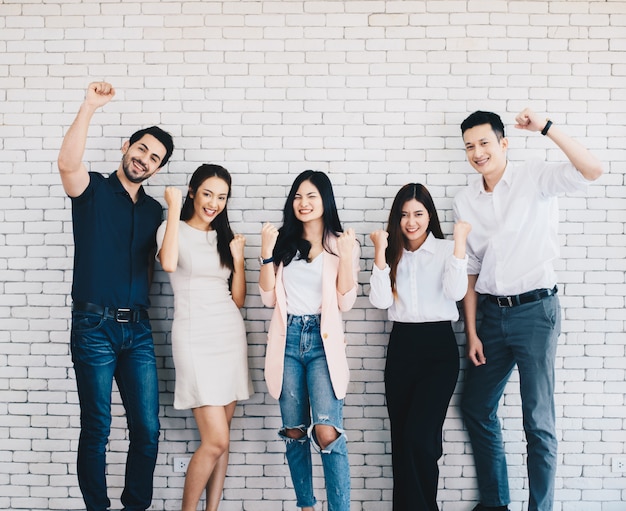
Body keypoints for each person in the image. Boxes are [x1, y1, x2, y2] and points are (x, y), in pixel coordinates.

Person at [453, 109, 603, 511]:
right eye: (470, 146)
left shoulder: (533, 177)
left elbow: (592, 170)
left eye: (485, 142)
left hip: (536, 312)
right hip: (490, 317)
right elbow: (469, 271)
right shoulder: (465, 199)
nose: (477, 152)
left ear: (503, 143)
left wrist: (547, 129)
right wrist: (472, 332)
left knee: (537, 422)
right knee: (476, 406)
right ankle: (495, 503)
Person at [57, 82, 175, 511]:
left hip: (138, 330)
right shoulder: (91, 191)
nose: (144, 159)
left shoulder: (153, 211)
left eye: (154, 158)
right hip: (93, 327)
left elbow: (168, 261)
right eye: (141, 149)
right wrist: (89, 105)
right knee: (99, 427)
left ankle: (135, 506)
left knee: (147, 429)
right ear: (127, 147)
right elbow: (67, 163)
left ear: (157, 169)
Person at [259, 170, 360, 511]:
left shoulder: (342, 244)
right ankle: (306, 506)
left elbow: (346, 301)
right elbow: (267, 298)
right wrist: (266, 253)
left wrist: (346, 257)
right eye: (298, 196)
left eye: (311, 196)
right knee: (293, 431)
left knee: (327, 431)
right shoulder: (284, 245)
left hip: (322, 342)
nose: (303, 203)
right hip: (287, 342)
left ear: (325, 200)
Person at [156, 163, 253, 511]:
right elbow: (168, 264)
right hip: (194, 338)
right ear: (193, 192)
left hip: (228, 335)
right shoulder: (172, 228)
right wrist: (171, 206)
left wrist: (239, 261)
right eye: (208, 194)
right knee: (215, 440)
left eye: (222, 197)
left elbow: (237, 299)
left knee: (222, 441)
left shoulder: (224, 238)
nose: (214, 203)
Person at [369, 183, 471, 511]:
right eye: (404, 215)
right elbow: (381, 301)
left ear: (429, 215)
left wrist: (459, 245)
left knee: (420, 438)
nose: (411, 221)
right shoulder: (391, 252)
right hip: (401, 347)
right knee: (403, 440)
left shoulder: (445, 249)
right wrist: (379, 254)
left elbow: (456, 292)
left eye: (418, 213)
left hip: (438, 349)